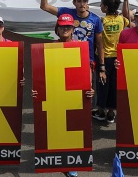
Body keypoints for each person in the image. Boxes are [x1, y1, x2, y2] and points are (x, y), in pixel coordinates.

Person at [30, 13, 95, 177]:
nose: (65, 29)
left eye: (68, 26)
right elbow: (41, 71)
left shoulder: (80, 46)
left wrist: (89, 87)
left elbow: (87, 68)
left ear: (72, 29)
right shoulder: (50, 47)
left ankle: (72, 163)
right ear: (57, 29)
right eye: (62, 26)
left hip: (75, 92)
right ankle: (59, 158)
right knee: (57, 124)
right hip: (56, 91)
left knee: (74, 124)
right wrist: (36, 90)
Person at [40, 0, 104, 77]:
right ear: (74, 2)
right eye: (79, 1)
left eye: (84, 1)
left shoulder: (96, 19)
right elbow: (44, 6)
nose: (82, 4)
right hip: (67, 58)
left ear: (87, 2)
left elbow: (100, 45)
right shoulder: (66, 12)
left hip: (87, 60)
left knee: (87, 87)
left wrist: (102, 68)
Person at [93, 0, 128, 124]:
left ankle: (101, 111)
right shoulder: (122, 19)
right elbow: (129, 19)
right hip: (118, 58)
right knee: (114, 85)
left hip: (104, 57)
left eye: (101, 4)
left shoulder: (101, 21)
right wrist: (126, 0)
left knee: (102, 84)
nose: (100, 6)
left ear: (106, 7)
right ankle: (111, 113)